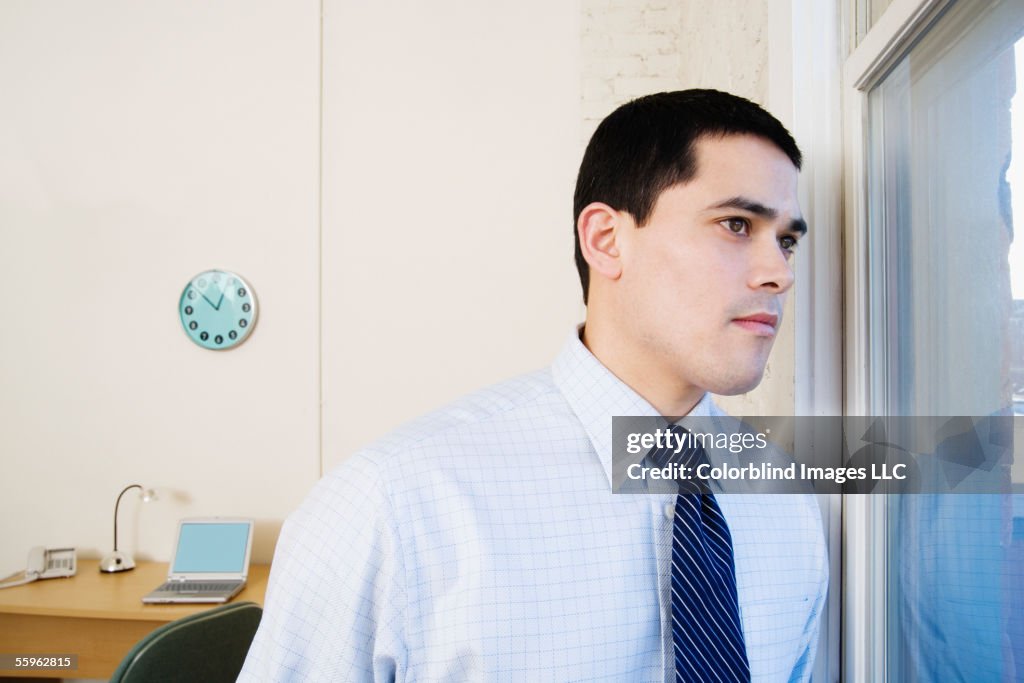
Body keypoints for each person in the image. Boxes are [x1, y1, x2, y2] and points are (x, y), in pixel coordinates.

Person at [239, 89, 828, 682]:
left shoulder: (786, 503)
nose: (778, 273)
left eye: (786, 240)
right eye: (735, 224)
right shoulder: (392, 505)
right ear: (605, 239)